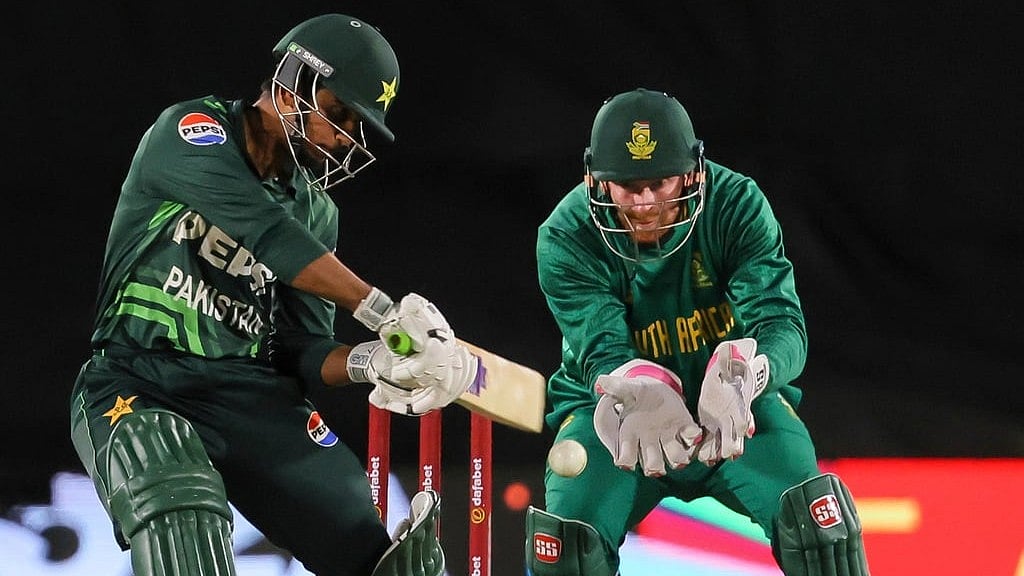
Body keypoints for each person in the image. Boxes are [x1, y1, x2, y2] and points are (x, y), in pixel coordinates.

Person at [68, 14, 477, 576]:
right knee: (178, 513)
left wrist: (373, 361)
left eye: (357, 126)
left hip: (248, 395)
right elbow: (267, 232)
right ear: (292, 81)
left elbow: (300, 349)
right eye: (339, 114)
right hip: (142, 377)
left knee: (380, 557)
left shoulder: (317, 212)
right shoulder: (190, 133)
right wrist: (383, 313)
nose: (346, 137)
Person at [526, 88, 870, 576]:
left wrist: (750, 374)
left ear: (693, 172)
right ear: (594, 181)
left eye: (660, 183)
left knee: (818, 526)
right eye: (627, 186)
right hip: (625, 412)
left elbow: (781, 323)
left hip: (731, 409)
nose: (644, 203)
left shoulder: (736, 205)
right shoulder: (566, 233)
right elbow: (600, 347)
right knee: (567, 547)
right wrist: (641, 385)